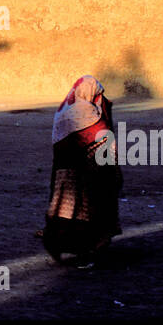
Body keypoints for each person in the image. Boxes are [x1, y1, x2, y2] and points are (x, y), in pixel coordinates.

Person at [38, 74, 122, 267]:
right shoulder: (89, 113)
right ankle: (85, 250)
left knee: (63, 210)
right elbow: (102, 141)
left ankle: (56, 244)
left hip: (63, 173)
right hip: (86, 174)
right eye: (99, 94)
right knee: (85, 213)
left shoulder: (65, 110)